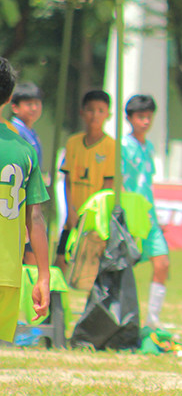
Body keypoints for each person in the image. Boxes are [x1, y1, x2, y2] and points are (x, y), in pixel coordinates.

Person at [0, 57, 51, 396]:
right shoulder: (23, 147)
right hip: (10, 272)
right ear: (9, 97)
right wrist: (45, 277)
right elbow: (37, 217)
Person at [121, 95, 172, 329]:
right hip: (129, 216)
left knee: (162, 263)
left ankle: (152, 320)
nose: (145, 121)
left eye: (149, 117)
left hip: (149, 216)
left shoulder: (149, 147)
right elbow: (119, 182)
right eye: (140, 116)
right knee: (124, 269)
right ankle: (124, 318)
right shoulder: (122, 146)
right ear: (129, 118)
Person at [56, 89, 115, 274]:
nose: (95, 115)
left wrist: (96, 216)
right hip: (73, 214)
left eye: (100, 110)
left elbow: (108, 185)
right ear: (82, 112)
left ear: (108, 114)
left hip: (94, 219)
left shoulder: (111, 146)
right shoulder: (73, 142)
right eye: (90, 110)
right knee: (60, 261)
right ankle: (57, 302)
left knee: (91, 267)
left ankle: (94, 303)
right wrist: (70, 211)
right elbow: (67, 180)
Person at [7, 81, 44, 266]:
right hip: (17, 200)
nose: (35, 108)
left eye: (37, 103)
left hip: (29, 198)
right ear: (14, 106)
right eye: (29, 104)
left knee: (30, 255)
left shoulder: (32, 133)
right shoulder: (15, 131)